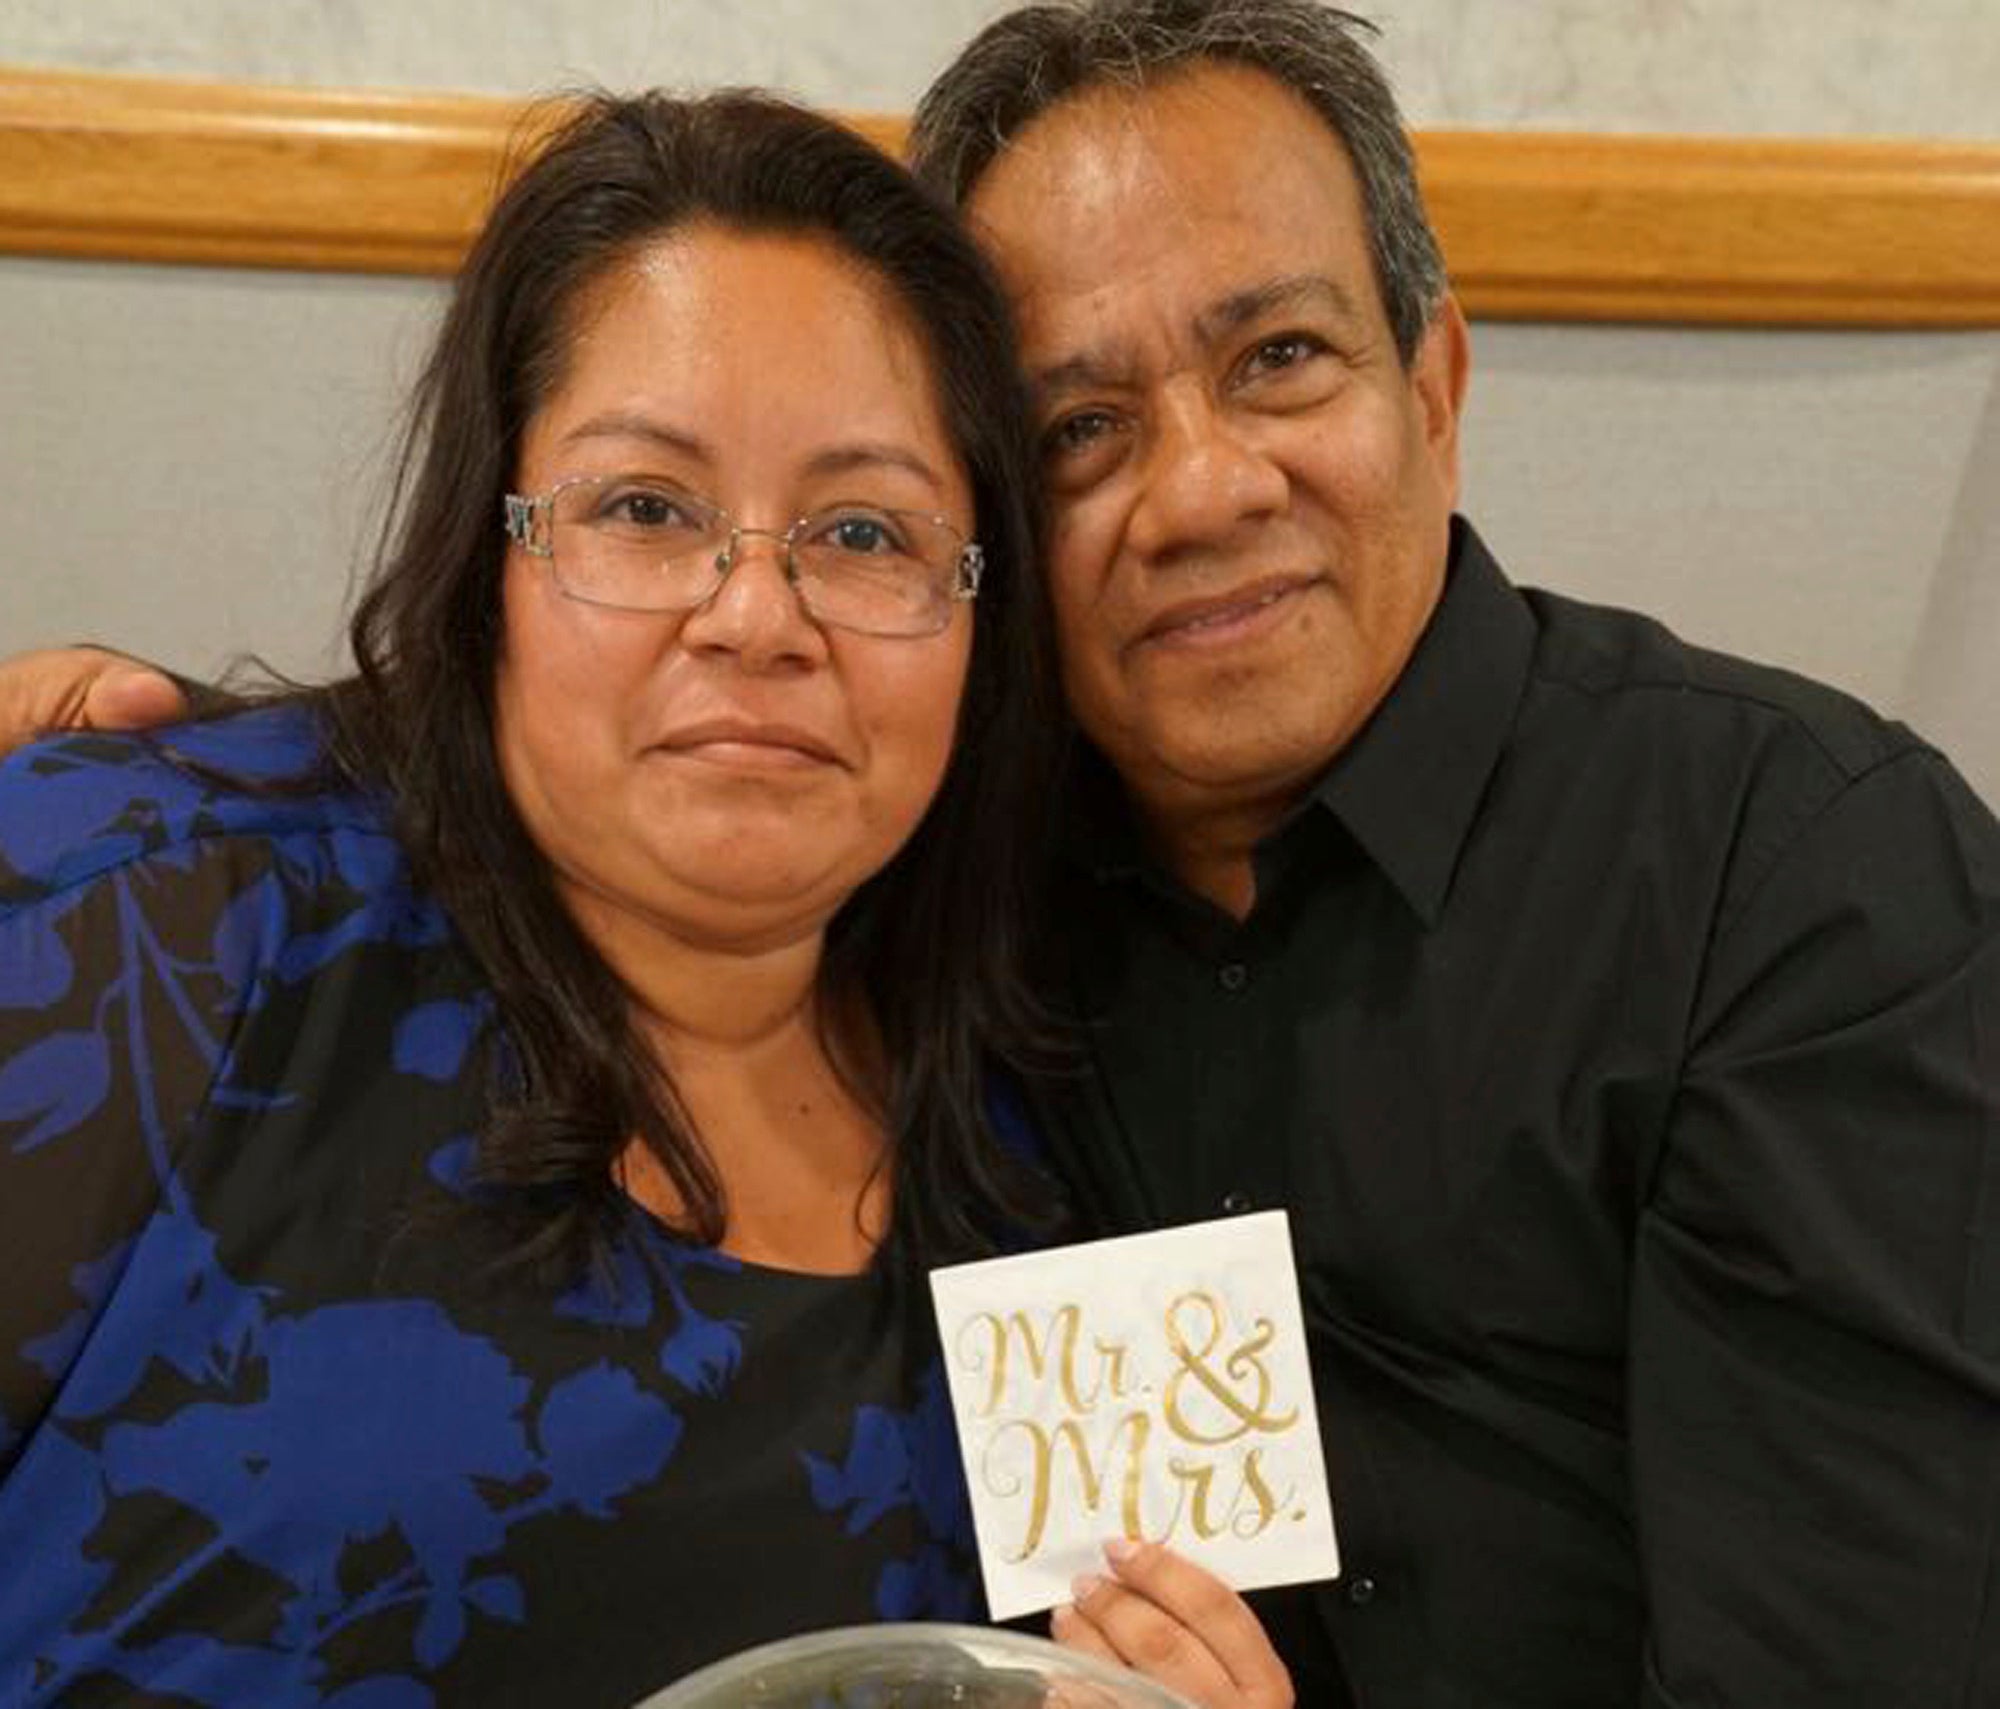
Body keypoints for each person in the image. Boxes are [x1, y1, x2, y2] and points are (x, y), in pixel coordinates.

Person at [8, 3, 1998, 1705]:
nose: (1204, 488)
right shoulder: (178, 917)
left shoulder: (1784, 882)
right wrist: (170, 767)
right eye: (1075, 430)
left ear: (1438, 385)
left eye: (1280, 358)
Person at [0, 87, 1296, 1709]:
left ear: (982, 623)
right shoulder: (147, 911)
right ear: (492, 560)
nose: (758, 612)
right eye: (644, 507)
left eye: (865, 532)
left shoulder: (1055, 1160)